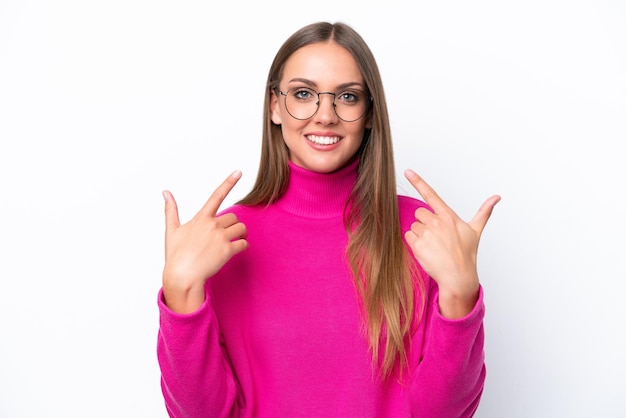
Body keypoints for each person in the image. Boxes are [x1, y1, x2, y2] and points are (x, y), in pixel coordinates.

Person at [157, 21, 501, 418]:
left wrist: (460, 296)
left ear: (370, 113)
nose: (324, 116)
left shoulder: (424, 235)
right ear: (274, 106)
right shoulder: (220, 241)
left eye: (347, 97)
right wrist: (180, 293)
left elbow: (442, 413)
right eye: (303, 94)